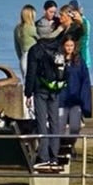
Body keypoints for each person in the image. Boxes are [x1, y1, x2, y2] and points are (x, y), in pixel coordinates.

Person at [25, 16, 70, 167]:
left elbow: (31, 73)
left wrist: (27, 92)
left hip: (40, 88)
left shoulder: (35, 49)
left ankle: (43, 156)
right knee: (54, 121)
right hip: (55, 88)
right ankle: (55, 155)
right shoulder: (58, 46)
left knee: (41, 122)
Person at [59, 35, 91, 141]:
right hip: (61, 100)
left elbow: (85, 81)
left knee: (75, 127)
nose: (69, 48)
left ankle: (70, 145)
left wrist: (85, 102)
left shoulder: (79, 61)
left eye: (71, 45)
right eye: (67, 45)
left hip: (75, 100)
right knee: (59, 127)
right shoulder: (58, 60)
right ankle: (58, 148)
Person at [13, 5, 38, 78]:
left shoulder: (17, 28)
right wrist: (59, 29)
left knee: (26, 82)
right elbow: (45, 40)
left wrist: (21, 58)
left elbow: (17, 47)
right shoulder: (31, 28)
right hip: (32, 58)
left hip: (23, 57)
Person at [67, 0, 92, 68]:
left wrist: (79, 21)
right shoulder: (72, 23)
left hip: (84, 57)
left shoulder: (85, 22)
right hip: (73, 58)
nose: (72, 13)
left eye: (74, 11)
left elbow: (84, 35)